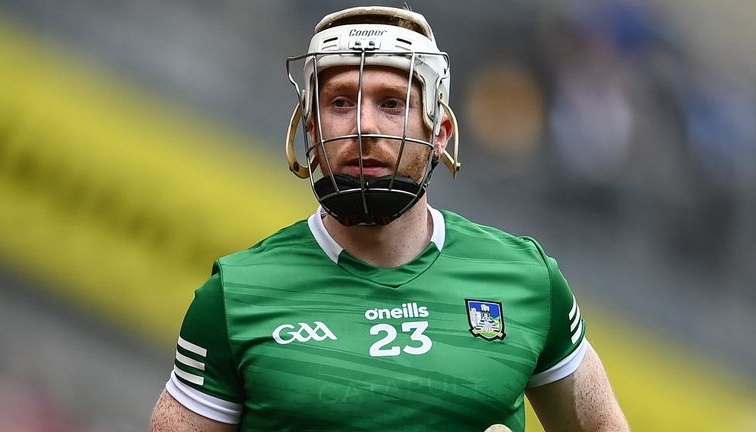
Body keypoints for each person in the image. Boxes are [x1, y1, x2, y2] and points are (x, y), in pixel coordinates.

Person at [150, 6, 629, 432]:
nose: (363, 126)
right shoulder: (235, 297)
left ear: (440, 132)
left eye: (391, 103)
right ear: (311, 128)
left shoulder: (527, 281)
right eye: (340, 102)